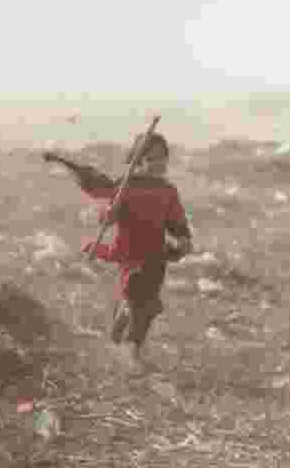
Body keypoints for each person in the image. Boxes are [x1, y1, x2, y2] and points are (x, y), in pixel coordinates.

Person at [44, 131, 192, 370]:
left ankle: (123, 345)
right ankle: (129, 352)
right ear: (137, 160)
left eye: (162, 158)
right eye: (151, 158)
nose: (158, 163)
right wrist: (108, 214)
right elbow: (105, 211)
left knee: (142, 305)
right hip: (130, 254)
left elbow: (176, 221)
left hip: (156, 256)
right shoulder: (126, 186)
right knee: (140, 302)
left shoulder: (168, 191)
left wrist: (183, 239)